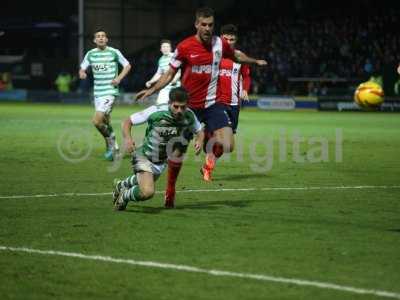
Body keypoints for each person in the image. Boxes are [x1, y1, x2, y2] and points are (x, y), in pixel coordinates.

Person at [136, 7, 267, 189]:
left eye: (211, 25)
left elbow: (236, 55)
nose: (207, 28)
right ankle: (170, 190)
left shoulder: (219, 44)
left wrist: (255, 61)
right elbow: (169, 73)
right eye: (203, 24)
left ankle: (205, 135)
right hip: (189, 108)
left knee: (228, 144)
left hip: (213, 104)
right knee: (177, 150)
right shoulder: (184, 47)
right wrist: (152, 90)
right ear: (196, 24)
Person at [113, 87, 204, 209]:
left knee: (144, 180)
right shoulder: (156, 111)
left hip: (161, 160)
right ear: (169, 103)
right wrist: (128, 139)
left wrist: (200, 140)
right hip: (143, 156)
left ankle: (121, 185)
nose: (179, 111)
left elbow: (199, 130)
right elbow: (127, 121)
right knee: (147, 192)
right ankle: (124, 196)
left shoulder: (189, 116)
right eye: (176, 106)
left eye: (183, 107)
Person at [201, 24, 251, 181]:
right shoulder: (213, 54)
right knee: (219, 137)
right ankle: (206, 135)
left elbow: (246, 76)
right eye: (226, 38)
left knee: (227, 146)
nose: (229, 41)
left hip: (234, 104)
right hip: (217, 102)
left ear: (236, 40)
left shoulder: (239, 56)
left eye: (232, 39)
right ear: (221, 38)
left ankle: (207, 167)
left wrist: (245, 89)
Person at [79, 29, 131, 161]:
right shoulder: (90, 54)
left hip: (110, 92)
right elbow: (82, 67)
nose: (101, 38)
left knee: (96, 121)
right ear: (94, 40)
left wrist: (118, 78)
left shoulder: (114, 52)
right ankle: (115, 148)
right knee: (106, 121)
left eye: (103, 36)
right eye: (98, 36)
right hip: (97, 93)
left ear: (107, 39)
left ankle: (111, 145)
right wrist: (82, 72)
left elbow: (127, 65)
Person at [145, 39, 181, 104]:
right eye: (163, 47)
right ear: (160, 49)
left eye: (167, 47)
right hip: (165, 86)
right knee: (160, 105)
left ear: (170, 48)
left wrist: (175, 79)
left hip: (176, 87)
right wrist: (151, 81)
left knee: (175, 106)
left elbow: (180, 70)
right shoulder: (161, 60)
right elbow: (159, 73)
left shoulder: (175, 56)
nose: (165, 48)